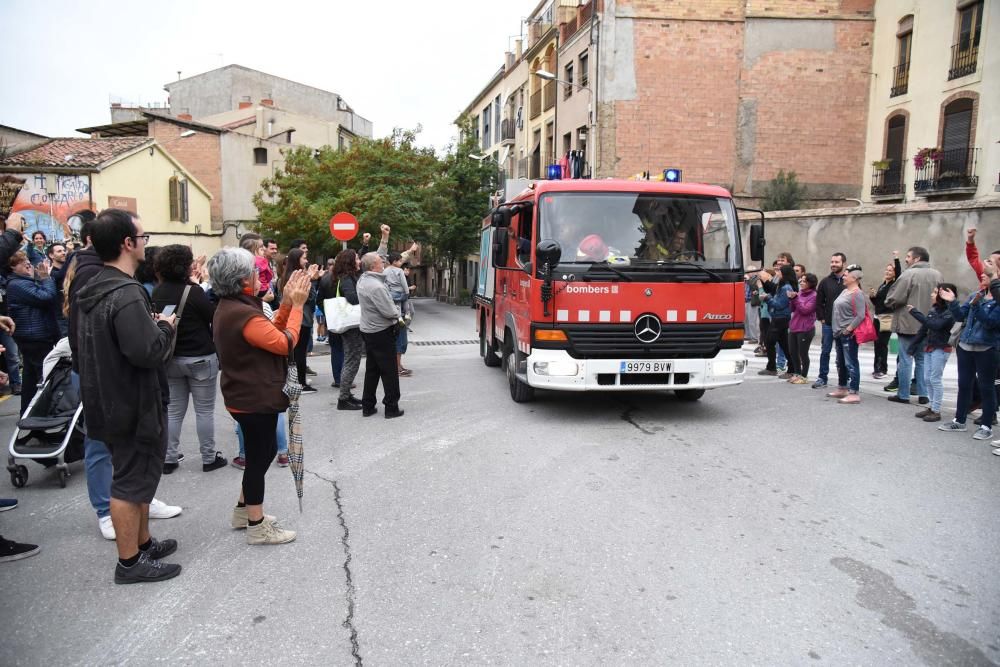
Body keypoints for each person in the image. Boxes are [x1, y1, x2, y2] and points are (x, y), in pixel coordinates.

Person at [74, 209, 181, 584]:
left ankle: (143, 543)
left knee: (136, 477)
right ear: (127, 243)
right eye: (143, 236)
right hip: (133, 401)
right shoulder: (125, 292)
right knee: (129, 482)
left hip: (109, 397)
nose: (145, 243)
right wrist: (165, 329)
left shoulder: (96, 284)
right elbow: (146, 352)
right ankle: (130, 563)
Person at [209, 247, 311, 545]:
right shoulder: (240, 311)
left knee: (263, 453)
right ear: (243, 280)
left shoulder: (235, 306)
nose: (260, 275)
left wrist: (288, 303)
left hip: (246, 394)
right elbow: (284, 343)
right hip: (252, 397)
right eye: (255, 272)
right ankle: (256, 525)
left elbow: (269, 332)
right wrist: (298, 307)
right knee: (258, 458)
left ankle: (244, 511)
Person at [152, 245, 224, 474]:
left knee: (173, 411)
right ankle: (208, 457)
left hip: (171, 358)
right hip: (200, 357)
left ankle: (169, 458)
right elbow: (213, 316)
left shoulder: (157, 292)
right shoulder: (193, 292)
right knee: (204, 411)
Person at [938, 265, 1000, 441]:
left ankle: (986, 426)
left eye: (985, 275)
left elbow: (990, 323)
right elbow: (960, 316)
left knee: (986, 387)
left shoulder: (996, 300)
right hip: (965, 346)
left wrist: (978, 306)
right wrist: (952, 301)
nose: (982, 276)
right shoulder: (975, 295)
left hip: (987, 348)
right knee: (964, 385)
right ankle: (959, 420)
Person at [884, 246, 941, 406]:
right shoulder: (937, 274)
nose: (906, 259)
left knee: (905, 359)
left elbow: (895, 297)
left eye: (908, 256)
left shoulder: (908, 274)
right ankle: (923, 394)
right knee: (922, 360)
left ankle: (903, 394)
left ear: (917, 259)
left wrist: (888, 302)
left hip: (908, 322)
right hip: (929, 323)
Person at [6, 251, 60, 414]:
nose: (28, 264)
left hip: (33, 336)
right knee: (44, 378)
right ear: (12, 267)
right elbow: (47, 297)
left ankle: (29, 417)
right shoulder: (17, 284)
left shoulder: (24, 282)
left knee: (30, 381)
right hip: (35, 337)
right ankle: (39, 419)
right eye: (22, 262)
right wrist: (45, 278)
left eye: (28, 261)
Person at [357, 252, 403, 418]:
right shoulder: (375, 286)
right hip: (381, 331)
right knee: (389, 371)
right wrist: (398, 312)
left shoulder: (363, 280)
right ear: (372, 267)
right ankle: (391, 407)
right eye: (379, 261)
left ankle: (367, 405)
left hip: (369, 330)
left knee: (372, 369)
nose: (383, 262)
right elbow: (389, 311)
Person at [320, 249, 364, 410]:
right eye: (357, 259)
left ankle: (346, 395)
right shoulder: (346, 278)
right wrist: (366, 296)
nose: (360, 261)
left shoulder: (344, 276)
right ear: (350, 262)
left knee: (350, 359)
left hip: (350, 326)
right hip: (351, 327)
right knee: (352, 360)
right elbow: (352, 298)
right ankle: (343, 399)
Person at [909, 283, 957, 423]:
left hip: (941, 348)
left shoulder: (949, 312)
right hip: (930, 347)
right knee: (926, 378)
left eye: (935, 292)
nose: (932, 294)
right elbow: (924, 329)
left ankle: (936, 410)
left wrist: (916, 313)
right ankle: (931, 407)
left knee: (935, 379)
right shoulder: (934, 309)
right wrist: (912, 347)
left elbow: (935, 325)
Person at [280, 248, 320, 393]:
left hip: (294, 317)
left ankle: (295, 380)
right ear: (297, 260)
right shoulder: (298, 277)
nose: (306, 261)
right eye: (304, 258)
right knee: (299, 352)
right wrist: (310, 280)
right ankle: (301, 383)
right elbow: (309, 297)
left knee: (295, 352)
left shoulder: (288, 275)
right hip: (301, 318)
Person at [827, 264, 867, 405]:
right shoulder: (845, 292)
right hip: (838, 332)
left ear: (854, 277)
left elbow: (861, 315)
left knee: (851, 363)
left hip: (847, 334)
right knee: (841, 362)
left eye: (846, 274)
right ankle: (842, 387)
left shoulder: (858, 294)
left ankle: (854, 393)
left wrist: (848, 329)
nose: (844, 276)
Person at [812, 253, 847, 388]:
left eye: (836, 262)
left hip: (844, 325)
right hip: (828, 324)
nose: (833, 264)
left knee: (843, 354)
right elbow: (819, 302)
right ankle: (822, 378)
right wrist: (821, 319)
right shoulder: (825, 281)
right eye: (832, 261)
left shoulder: (849, 280)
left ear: (843, 263)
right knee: (825, 351)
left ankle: (844, 380)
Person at [757, 265, 796, 378]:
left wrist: (767, 298)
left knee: (770, 342)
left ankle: (773, 368)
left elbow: (779, 305)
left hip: (780, 318)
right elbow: (777, 300)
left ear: (784, 274)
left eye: (779, 271)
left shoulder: (786, 287)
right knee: (784, 344)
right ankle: (787, 368)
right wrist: (769, 296)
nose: (777, 273)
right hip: (778, 318)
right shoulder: (782, 286)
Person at [870, 257, 901, 379]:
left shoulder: (894, 285)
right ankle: (876, 368)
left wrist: (896, 259)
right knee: (877, 343)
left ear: (894, 274)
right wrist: (873, 297)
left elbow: (899, 274)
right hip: (877, 317)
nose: (887, 272)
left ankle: (882, 369)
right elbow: (878, 303)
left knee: (882, 343)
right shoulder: (883, 285)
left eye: (890, 270)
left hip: (887, 318)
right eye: (886, 270)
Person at [788, 272, 818, 384]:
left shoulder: (814, 296)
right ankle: (797, 373)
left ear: (811, 283)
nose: (801, 282)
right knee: (793, 352)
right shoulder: (800, 293)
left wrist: (795, 299)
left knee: (803, 353)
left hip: (805, 329)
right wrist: (791, 299)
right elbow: (792, 309)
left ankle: (804, 376)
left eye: (804, 281)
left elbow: (805, 310)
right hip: (794, 326)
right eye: (800, 280)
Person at [47, 242, 69, 337]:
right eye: (59, 251)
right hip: (59, 314)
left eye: (64, 251)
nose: (63, 253)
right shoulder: (49, 273)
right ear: (51, 255)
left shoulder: (69, 270)